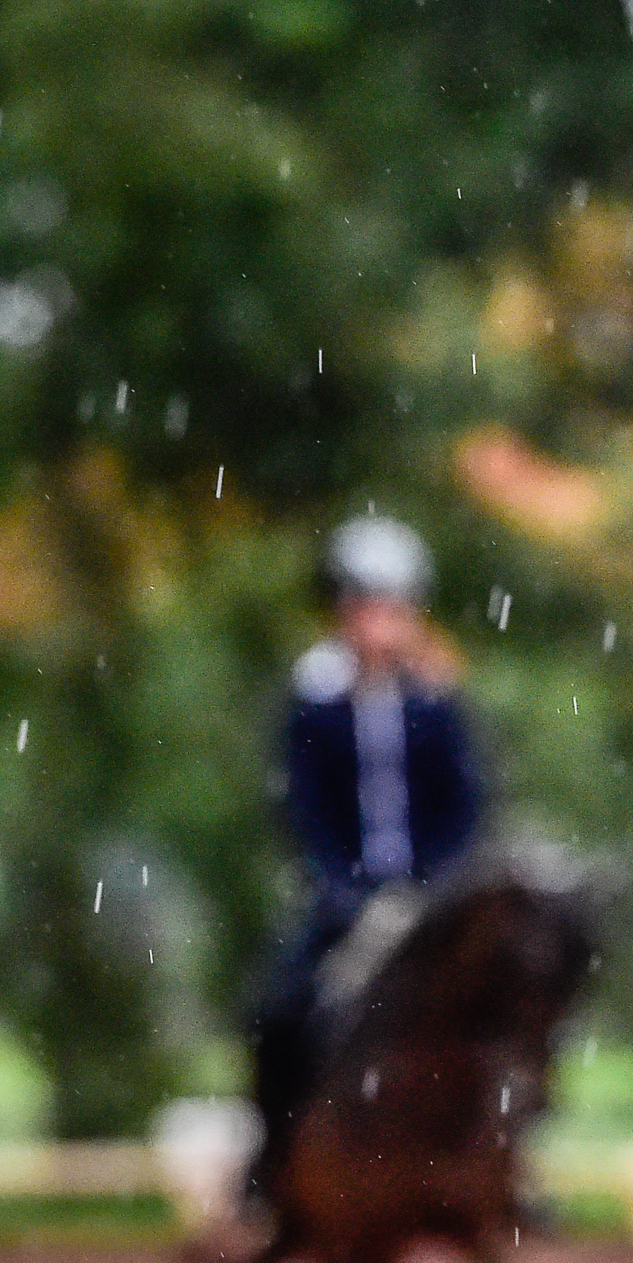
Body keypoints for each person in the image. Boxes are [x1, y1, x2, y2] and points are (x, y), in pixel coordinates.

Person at [242, 514, 485, 1209]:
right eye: (366, 605)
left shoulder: (437, 701)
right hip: (342, 898)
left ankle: (503, 1170)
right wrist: (343, 887)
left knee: (495, 1017)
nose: (380, 622)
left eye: (394, 606)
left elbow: (464, 803)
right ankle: (273, 1162)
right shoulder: (314, 701)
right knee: (279, 1012)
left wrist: (433, 884)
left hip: (431, 897)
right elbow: (302, 806)